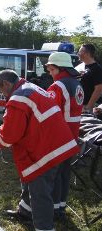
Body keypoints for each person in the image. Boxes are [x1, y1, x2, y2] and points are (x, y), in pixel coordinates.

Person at [0, 70, 79, 231]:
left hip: (45, 150)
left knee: (39, 193)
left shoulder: (18, 98)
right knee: (30, 180)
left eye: (1, 91)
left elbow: (11, 134)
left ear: (5, 84)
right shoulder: (32, 87)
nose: (3, 95)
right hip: (55, 143)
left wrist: (0, 140)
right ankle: (25, 212)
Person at [45, 52, 84, 219]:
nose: (49, 73)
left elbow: (49, 113)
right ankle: (61, 207)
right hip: (73, 136)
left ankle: (53, 210)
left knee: (53, 175)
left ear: (58, 68)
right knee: (64, 172)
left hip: (59, 137)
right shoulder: (77, 83)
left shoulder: (57, 86)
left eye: (51, 69)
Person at [78, 43, 102, 112]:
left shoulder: (97, 69)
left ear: (87, 54)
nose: (78, 54)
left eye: (80, 51)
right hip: (79, 105)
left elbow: (99, 89)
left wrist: (89, 106)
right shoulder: (81, 67)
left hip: (87, 107)